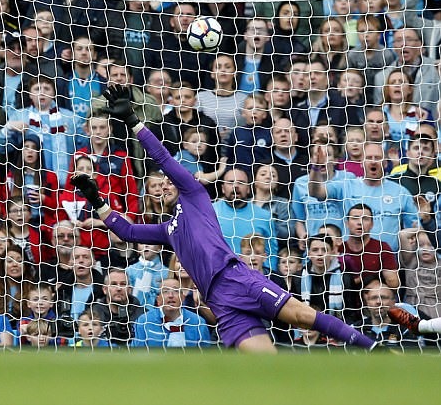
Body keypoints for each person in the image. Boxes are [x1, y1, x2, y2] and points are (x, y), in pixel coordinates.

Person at [70, 85, 379, 351]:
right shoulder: (168, 229)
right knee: (264, 364)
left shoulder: (194, 195)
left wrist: (132, 121)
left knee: (302, 316)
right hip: (218, 299)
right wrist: (95, 198)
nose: (163, 185)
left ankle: (372, 349)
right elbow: (126, 231)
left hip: (237, 278)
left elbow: (163, 157)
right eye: (157, 186)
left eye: (167, 181)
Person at [132, 277, 212, 348]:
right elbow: (137, 354)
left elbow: (205, 357)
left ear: (183, 298)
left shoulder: (198, 322)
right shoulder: (144, 321)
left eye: (176, 291)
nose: (171, 295)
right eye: (165, 291)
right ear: (158, 299)